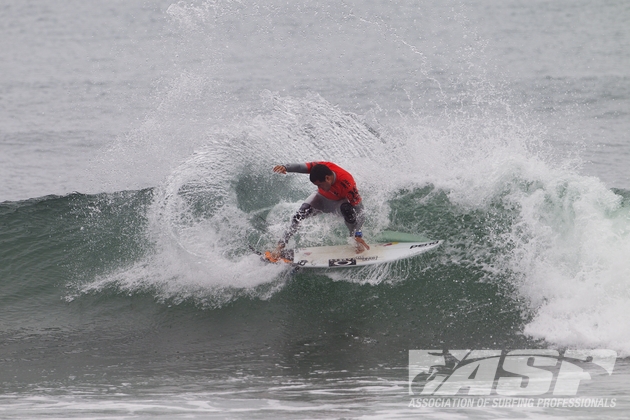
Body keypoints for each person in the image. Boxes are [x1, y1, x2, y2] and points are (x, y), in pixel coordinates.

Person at [270, 161, 369, 260]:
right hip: (321, 199)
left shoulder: (347, 184)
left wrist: (358, 232)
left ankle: (355, 240)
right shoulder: (321, 167)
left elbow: (361, 212)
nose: (319, 187)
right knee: (299, 215)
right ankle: (280, 246)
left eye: (320, 185)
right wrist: (285, 167)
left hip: (338, 205)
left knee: (348, 211)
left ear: (328, 178)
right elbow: (301, 167)